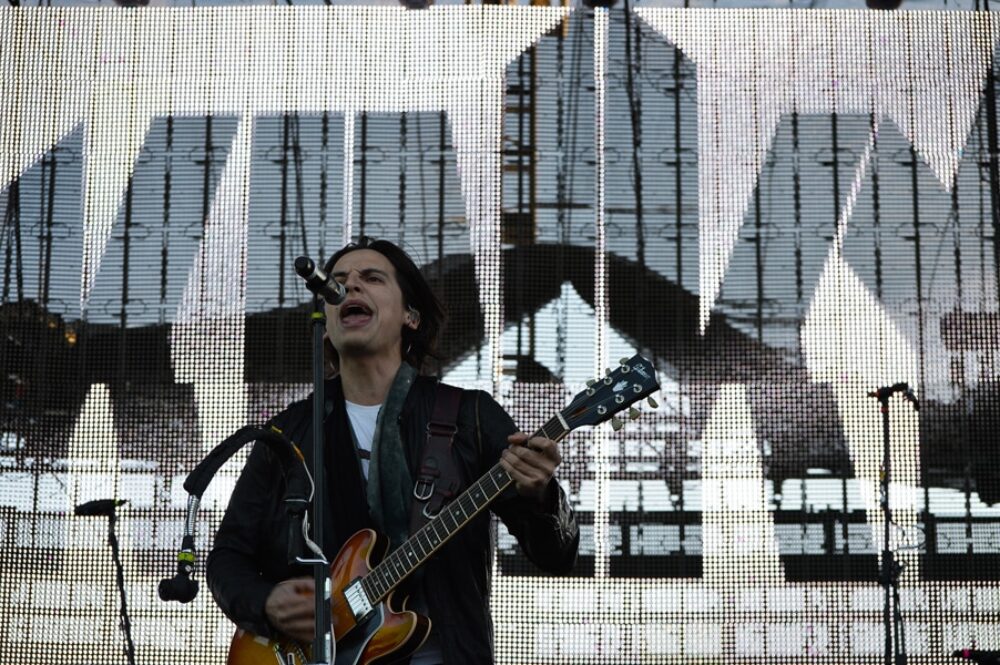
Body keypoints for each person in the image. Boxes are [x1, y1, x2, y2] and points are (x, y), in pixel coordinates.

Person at [207, 236, 579, 664]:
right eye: (339, 280)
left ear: (411, 316)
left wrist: (541, 496)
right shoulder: (288, 432)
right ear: (326, 321)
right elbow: (228, 556)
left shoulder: (470, 416)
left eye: (372, 278)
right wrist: (266, 602)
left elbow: (557, 557)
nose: (350, 285)